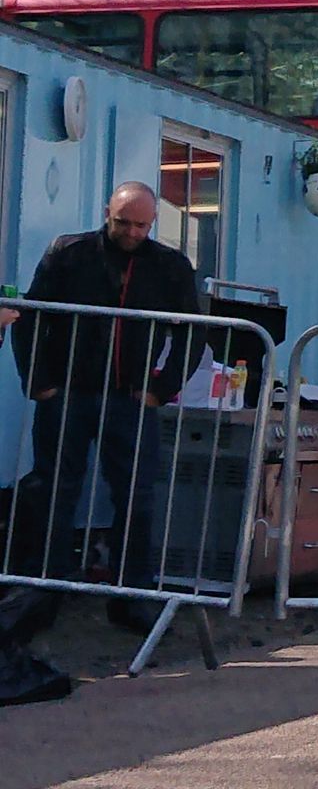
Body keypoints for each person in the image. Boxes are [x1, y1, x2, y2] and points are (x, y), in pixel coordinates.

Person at [6, 183, 198, 635]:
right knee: (54, 490)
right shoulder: (69, 253)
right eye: (123, 222)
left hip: (129, 399)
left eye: (142, 225)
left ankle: (131, 597)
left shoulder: (169, 266)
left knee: (136, 497)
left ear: (153, 224)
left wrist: (161, 389)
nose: (132, 232)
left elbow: (192, 332)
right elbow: (31, 315)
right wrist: (39, 383)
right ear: (106, 213)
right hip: (68, 394)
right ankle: (42, 593)